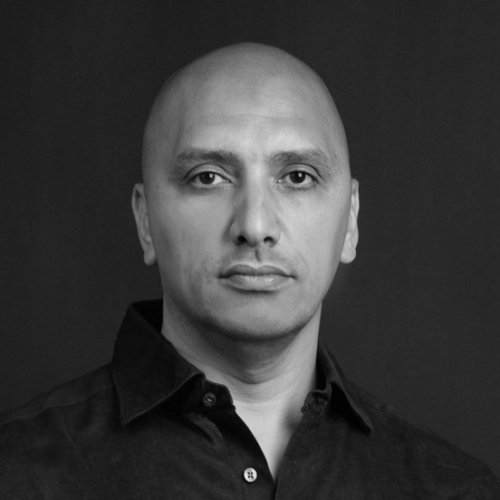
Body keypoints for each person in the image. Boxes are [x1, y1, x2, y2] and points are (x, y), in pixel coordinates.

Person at [0, 43, 498, 499]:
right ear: (145, 221)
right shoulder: (18, 473)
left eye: (298, 177)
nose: (255, 226)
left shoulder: (455, 490)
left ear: (350, 222)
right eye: (208, 177)